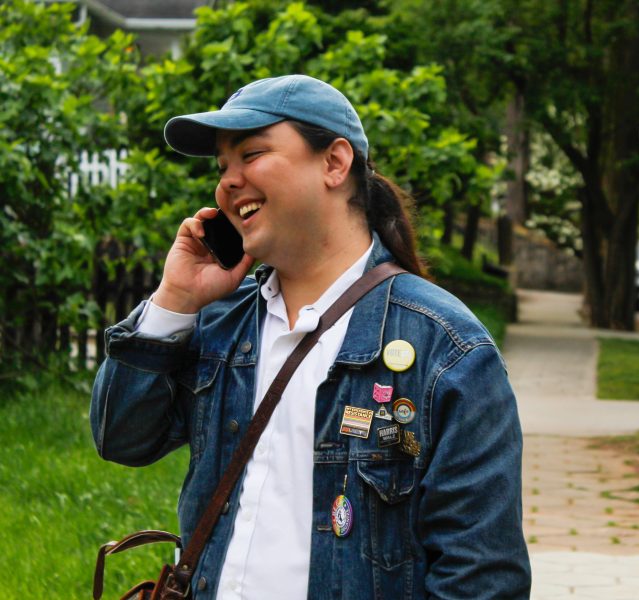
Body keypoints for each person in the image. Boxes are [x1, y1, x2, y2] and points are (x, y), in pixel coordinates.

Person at [91, 74, 531, 600]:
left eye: (251, 154)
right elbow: (120, 438)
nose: (228, 182)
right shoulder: (222, 323)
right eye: (221, 167)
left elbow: (481, 577)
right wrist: (173, 302)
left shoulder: (447, 350)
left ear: (334, 163)